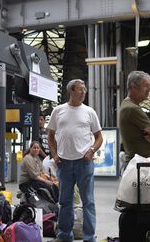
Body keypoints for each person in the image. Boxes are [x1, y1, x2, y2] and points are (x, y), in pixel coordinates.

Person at [47, 79, 103, 242]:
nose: (84, 92)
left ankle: (89, 237)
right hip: (63, 163)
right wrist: (55, 154)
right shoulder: (58, 111)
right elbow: (50, 136)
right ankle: (64, 235)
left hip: (84, 162)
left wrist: (92, 150)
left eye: (85, 89)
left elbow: (99, 137)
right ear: (71, 91)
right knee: (65, 202)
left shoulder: (89, 112)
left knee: (88, 202)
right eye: (80, 89)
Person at [118, 71, 150, 170]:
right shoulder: (132, 109)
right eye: (146, 86)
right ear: (134, 86)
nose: (149, 90)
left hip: (140, 165)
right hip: (140, 166)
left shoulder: (128, 105)